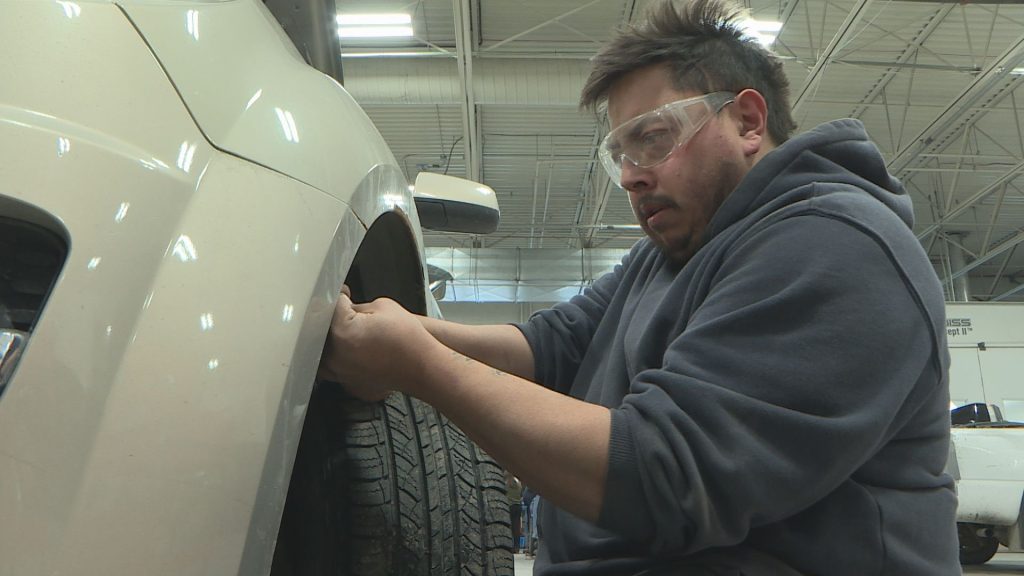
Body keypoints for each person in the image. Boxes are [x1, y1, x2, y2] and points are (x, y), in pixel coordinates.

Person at [317, 0, 960, 573]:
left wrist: (415, 362)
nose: (630, 176)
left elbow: (664, 475)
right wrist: (390, 328)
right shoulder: (672, 254)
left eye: (652, 138)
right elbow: (554, 347)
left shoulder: (833, 244)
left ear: (748, 121)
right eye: (620, 152)